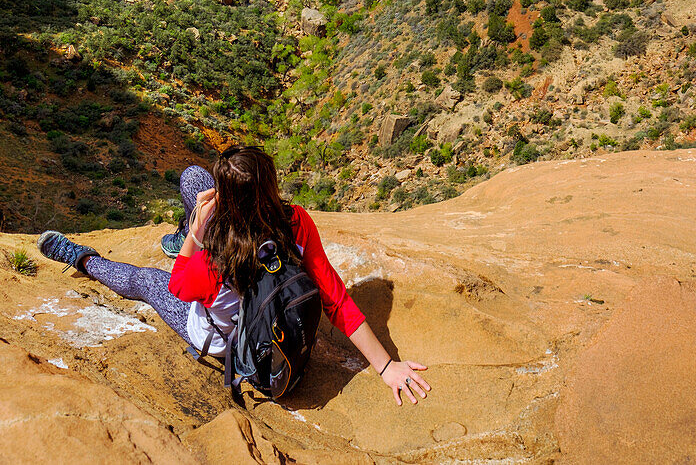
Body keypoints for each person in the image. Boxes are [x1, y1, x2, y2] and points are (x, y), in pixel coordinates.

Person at [37, 145, 431, 406]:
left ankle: (82, 259)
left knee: (145, 282)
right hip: (269, 312)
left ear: (228, 198)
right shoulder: (296, 222)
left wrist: (194, 234)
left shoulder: (218, 250)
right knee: (194, 178)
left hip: (226, 341)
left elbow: (178, 285)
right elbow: (336, 300)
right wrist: (385, 366)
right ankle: (174, 236)